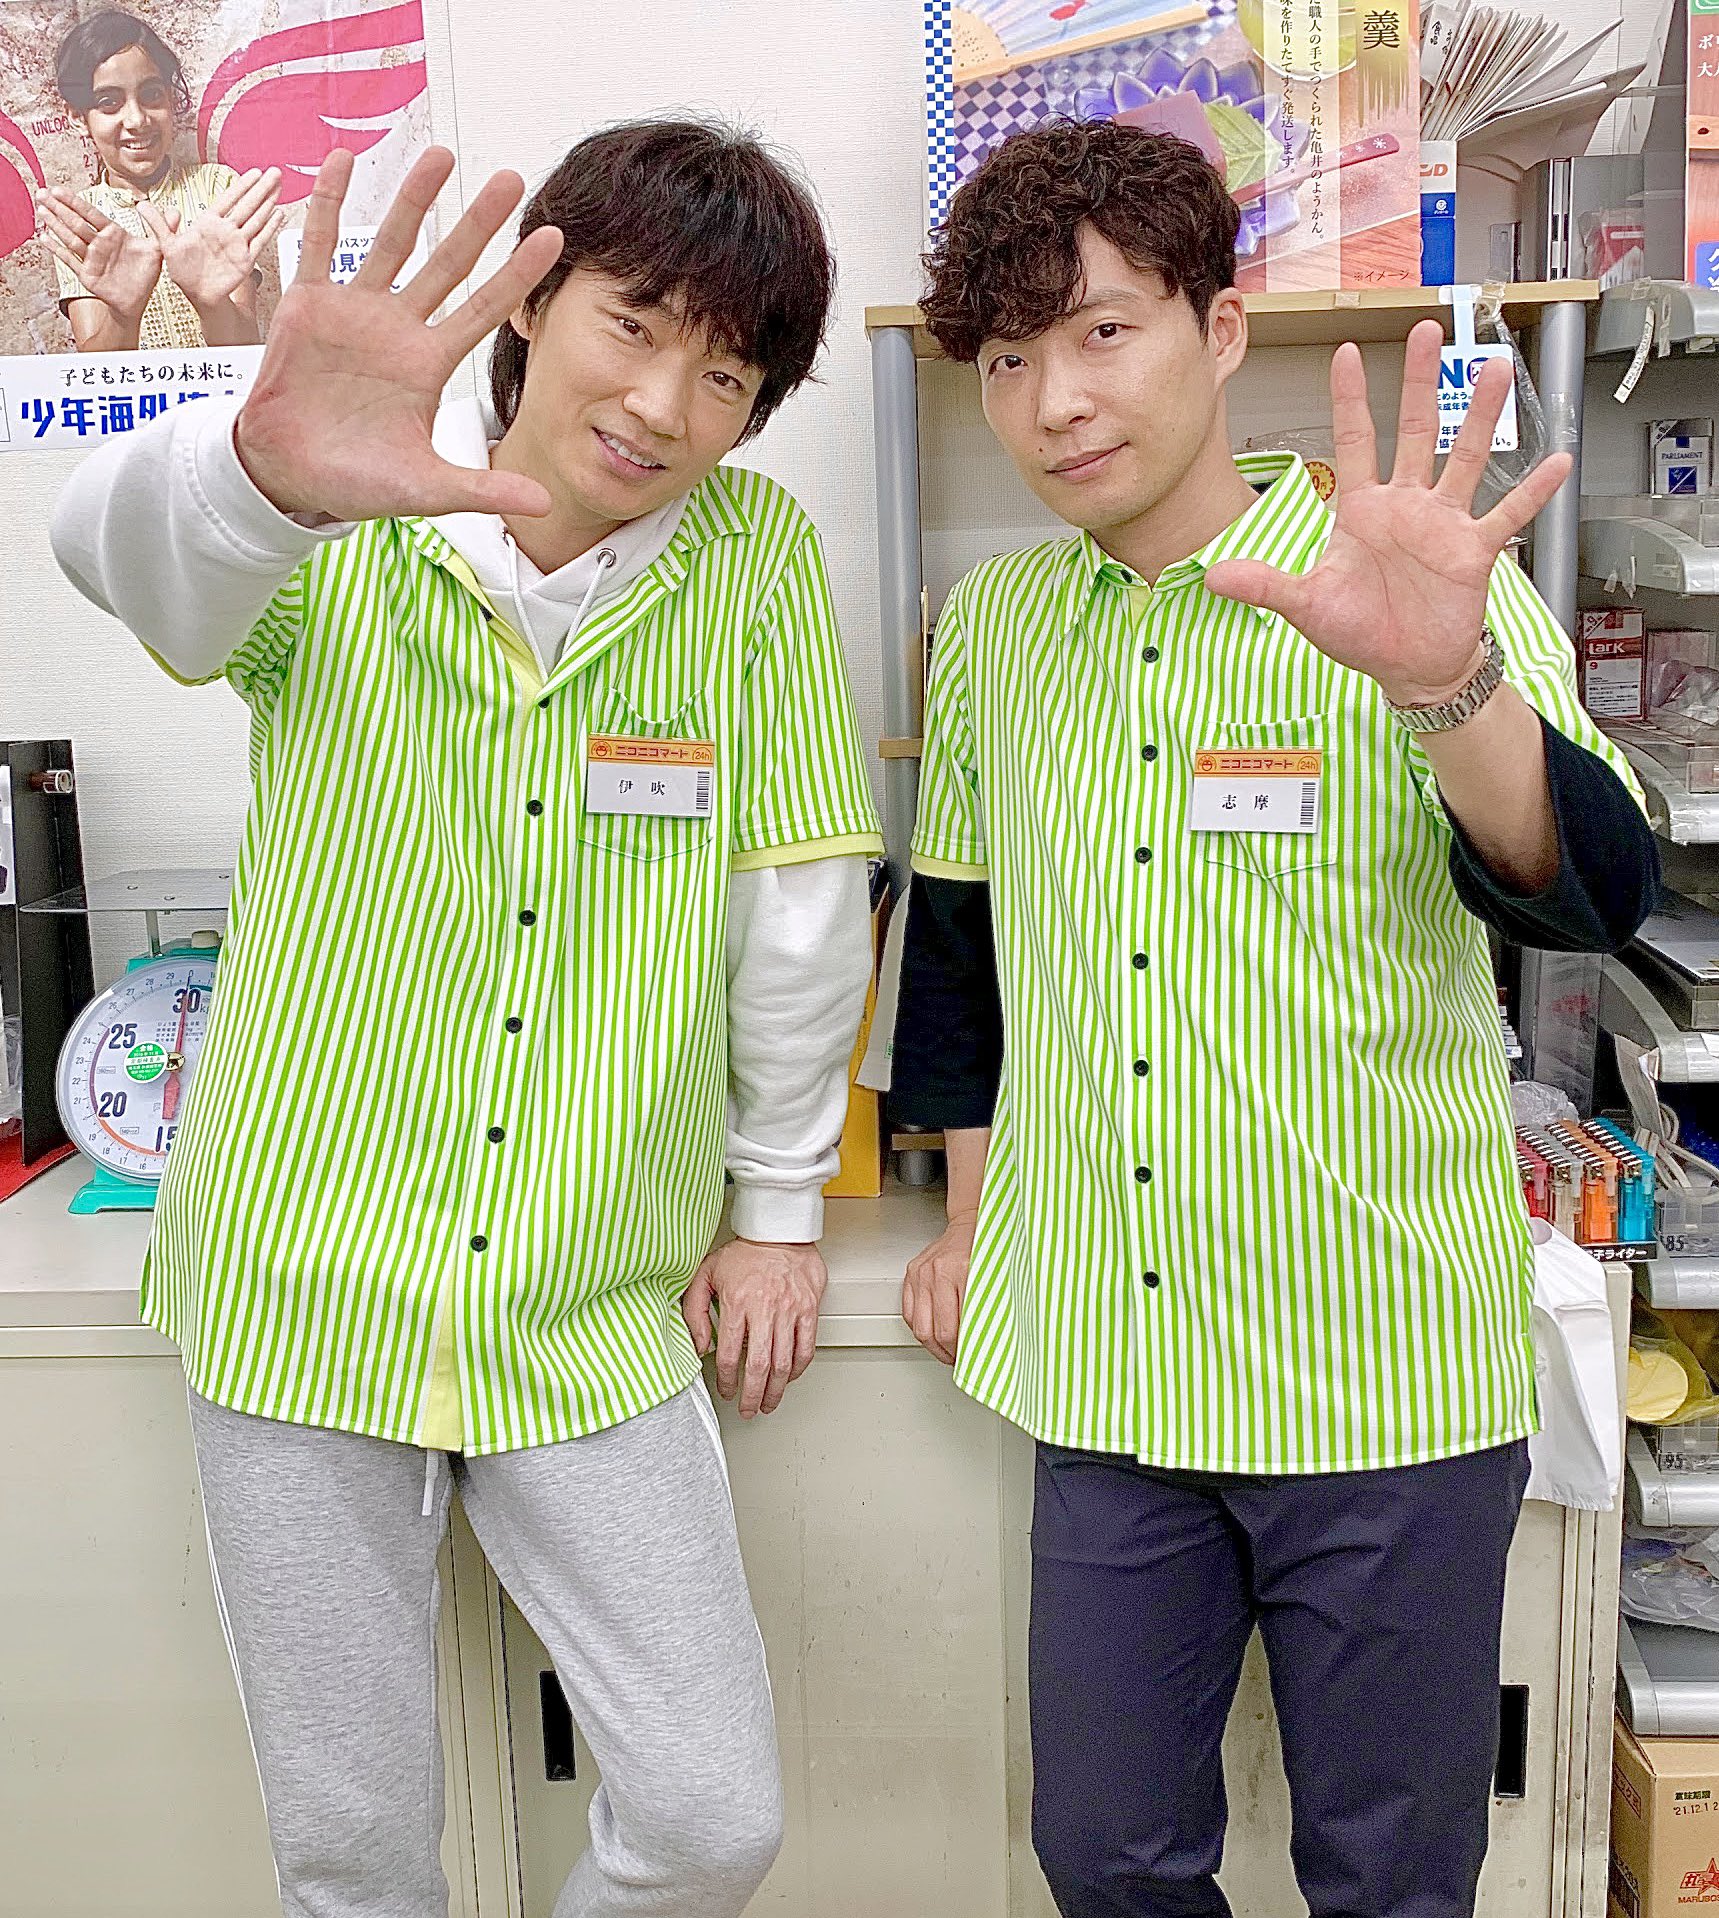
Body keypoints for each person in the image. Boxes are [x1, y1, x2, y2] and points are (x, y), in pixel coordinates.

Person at [51, 121, 882, 1917]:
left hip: (586, 1291)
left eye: (725, 374)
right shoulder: (342, 497)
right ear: (531, 301)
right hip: (297, 1284)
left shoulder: (747, 559)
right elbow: (114, 559)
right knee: (350, 1852)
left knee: (707, 1811)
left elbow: (800, 903)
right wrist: (254, 475)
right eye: (632, 324)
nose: (661, 404)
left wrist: (775, 1203)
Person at [892, 120, 1659, 1918]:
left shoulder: (1401, 571)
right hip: (1108, 1356)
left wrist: (1442, 681)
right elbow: (958, 947)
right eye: (1006, 360)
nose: (1053, 402)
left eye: (1101, 332)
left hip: (1377, 1358)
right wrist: (968, 1214)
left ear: (1218, 329)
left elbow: (1586, 891)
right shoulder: (996, 627)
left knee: (1388, 1870)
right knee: (1103, 1852)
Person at [37, 9, 281, 351]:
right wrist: (124, 313)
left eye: (151, 95)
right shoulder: (80, 221)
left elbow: (243, 345)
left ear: (171, 98)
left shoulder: (218, 188)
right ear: (78, 118)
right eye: (109, 103)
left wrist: (210, 302)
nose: (137, 120)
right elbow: (95, 367)